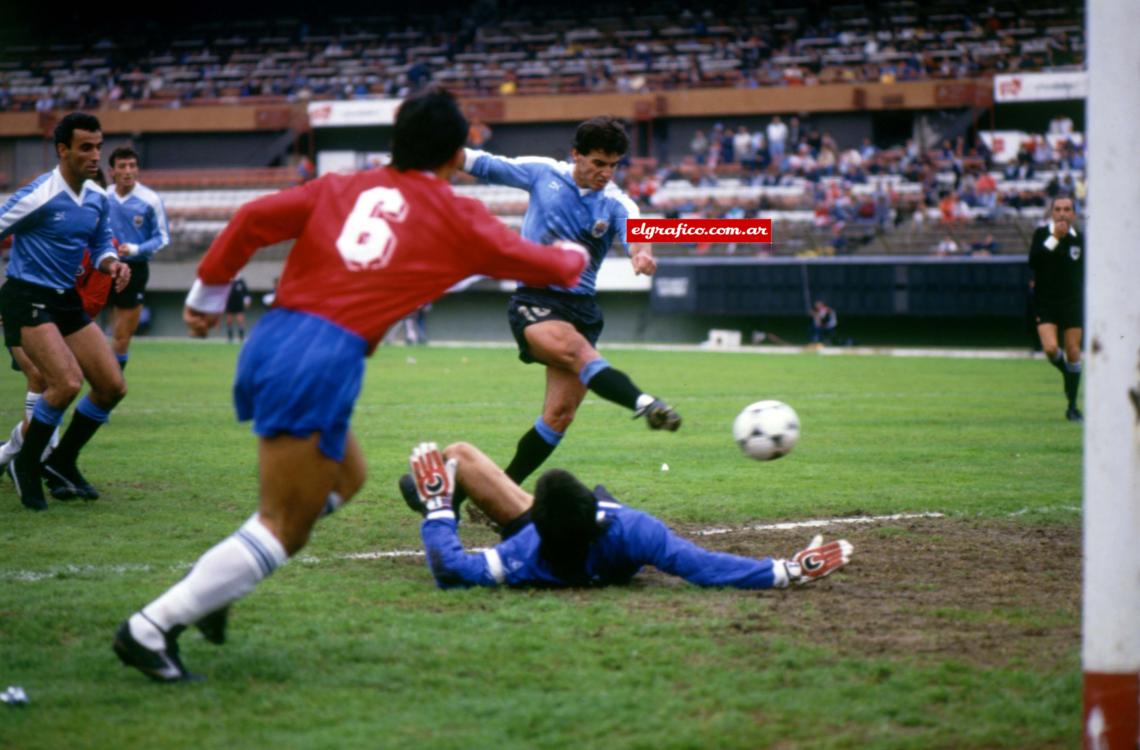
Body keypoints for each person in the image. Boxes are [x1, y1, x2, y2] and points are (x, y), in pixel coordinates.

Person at [111, 89, 590, 683]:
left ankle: (221, 582)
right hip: (319, 357)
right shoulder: (454, 212)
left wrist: (205, 295)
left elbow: (252, 220)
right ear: (454, 153)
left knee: (349, 476)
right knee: (281, 525)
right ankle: (149, 627)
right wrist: (573, 251)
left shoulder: (345, 186)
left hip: (279, 337)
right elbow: (542, 264)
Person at [459, 116, 681, 499]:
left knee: (559, 417)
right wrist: (431, 149)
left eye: (613, 165)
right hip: (536, 301)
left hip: (582, 310)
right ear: (576, 154)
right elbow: (483, 163)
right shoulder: (543, 174)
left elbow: (639, 237)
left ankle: (495, 492)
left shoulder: (616, 203)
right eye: (598, 163)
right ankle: (645, 404)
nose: (606, 173)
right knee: (577, 352)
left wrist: (642, 256)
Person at [401, 441, 853, 590]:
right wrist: (789, 570)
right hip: (591, 543)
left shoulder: (525, 550)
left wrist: (439, 507)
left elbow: (450, 568)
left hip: (553, 540)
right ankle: (441, 490)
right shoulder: (633, 529)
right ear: (597, 509)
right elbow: (704, 566)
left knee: (455, 454)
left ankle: (434, 490)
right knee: (453, 459)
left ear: (534, 522)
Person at [0, 113, 131, 511]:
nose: (95, 155)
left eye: (98, 146)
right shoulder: (40, 194)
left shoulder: (96, 196)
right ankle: (25, 464)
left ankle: (61, 460)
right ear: (63, 150)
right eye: (86, 147)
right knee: (65, 382)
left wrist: (112, 264)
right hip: (27, 297)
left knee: (112, 386)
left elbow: (101, 242)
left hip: (65, 300)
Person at [0, 171, 115, 475]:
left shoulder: (101, 249)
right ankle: (34, 458)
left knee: (63, 383)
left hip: (66, 319)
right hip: (27, 307)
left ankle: (20, 455)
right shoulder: (42, 206)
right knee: (45, 378)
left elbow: (91, 304)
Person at [105, 146, 170, 370]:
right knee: (79, 327)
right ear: (111, 171)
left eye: (132, 165)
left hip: (135, 269)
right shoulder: (102, 198)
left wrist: (135, 249)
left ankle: (110, 390)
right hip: (102, 268)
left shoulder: (150, 200)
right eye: (122, 166)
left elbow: (162, 238)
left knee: (121, 337)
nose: (128, 171)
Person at [1028, 196, 1084, 421]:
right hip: (1046, 301)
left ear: (1074, 214)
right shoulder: (1041, 235)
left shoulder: (1080, 239)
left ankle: (1072, 406)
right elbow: (1034, 262)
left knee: (1073, 352)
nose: (1062, 213)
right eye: (1058, 209)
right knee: (1051, 348)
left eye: (1067, 209)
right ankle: (1069, 376)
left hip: (1071, 302)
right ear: (1051, 212)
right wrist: (1054, 238)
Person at [224, 276, 251, 342]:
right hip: (229, 303)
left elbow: (246, 293)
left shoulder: (241, 282)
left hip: (239, 303)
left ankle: (241, 336)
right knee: (229, 320)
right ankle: (230, 337)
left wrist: (247, 301)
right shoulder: (228, 280)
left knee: (240, 320)